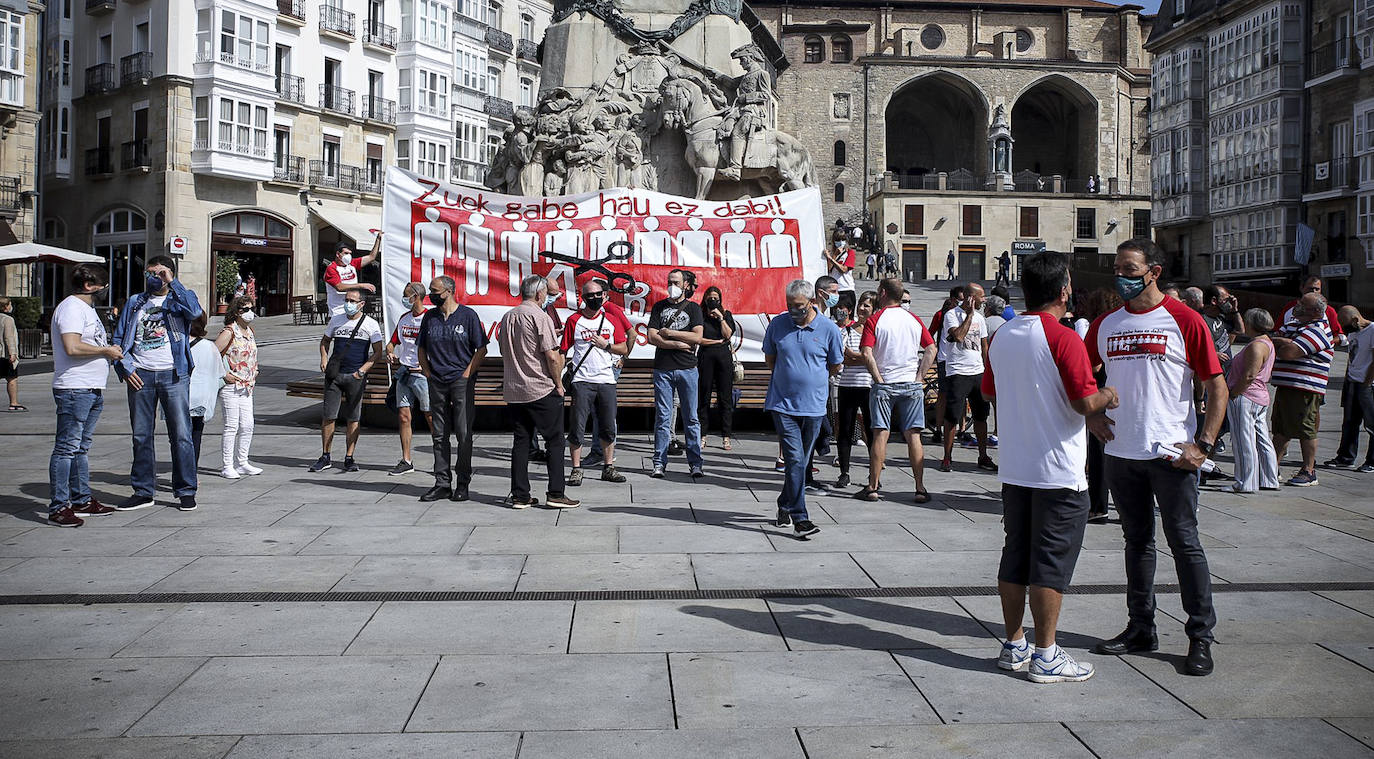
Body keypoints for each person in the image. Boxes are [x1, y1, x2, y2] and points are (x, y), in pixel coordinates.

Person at [1085, 238, 1223, 677]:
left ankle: (1200, 636)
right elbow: (1085, 379)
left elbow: (1216, 385)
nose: (1122, 277)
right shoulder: (1105, 325)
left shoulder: (1185, 319)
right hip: (1121, 452)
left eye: (1130, 268)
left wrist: (1204, 444)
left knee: (1185, 543)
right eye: (1118, 269)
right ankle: (1141, 626)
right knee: (1136, 542)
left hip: (1171, 454)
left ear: (1153, 271)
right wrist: (1092, 420)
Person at [984, 250, 1119, 683]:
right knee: (1050, 564)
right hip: (1057, 469)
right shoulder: (1063, 338)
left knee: (1015, 557)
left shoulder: (1004, 334)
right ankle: (1046, 654)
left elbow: (989, 392)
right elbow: (1084, 403)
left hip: (1016, 466)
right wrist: (1110, 395)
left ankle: (1014, 643)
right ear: (1065, 290)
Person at [112, 255, 205, 512]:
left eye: (159, 272)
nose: (154, 277)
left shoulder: (180, 298)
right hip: (141, 374)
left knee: (182, 435)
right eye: (150, 273)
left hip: (173, 374)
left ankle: (186, 490)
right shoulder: (135, 302)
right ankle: (143, 491)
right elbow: (119, 338)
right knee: (141, 435)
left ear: (170, 273)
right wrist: (125, 367)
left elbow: (195, 313)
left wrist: (172, 282)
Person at [765, 279, 844, 537]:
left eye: (798, 306)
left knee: (799, 463)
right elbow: (771, 359)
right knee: (796, 460)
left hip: (814, 407)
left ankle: (784, 504)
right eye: (789, 305)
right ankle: (801, 518)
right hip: (783, 404)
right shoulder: (778, 324)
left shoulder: (829, 329)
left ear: (811, 302)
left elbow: (835, 365)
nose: (792, 310)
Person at [47, 264, 122, 527]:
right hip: (74, 388)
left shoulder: (85, 308)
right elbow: (72, 346)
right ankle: (59, 506)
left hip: (90, 387)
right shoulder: (71, 308)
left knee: (80, 448)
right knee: (67, 448)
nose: (105, 290)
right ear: (90, 286)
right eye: (104, 286)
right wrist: (105, 352)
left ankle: (81, 499)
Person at [499, 275, 580, 508]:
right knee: (554, 441)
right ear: (539, 293)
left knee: (521, 441)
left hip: (515, 389)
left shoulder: (508, 316)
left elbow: (505, 350)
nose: (547, 297)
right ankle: (556, 492)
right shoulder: (539, 316)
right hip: (540, 387)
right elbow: (552, 356)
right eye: (546, 293)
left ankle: (520, 495)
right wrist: (558, 383)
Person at [856, 277, 937, 502]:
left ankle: (872, 487)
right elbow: (931, 348)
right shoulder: (913, 319)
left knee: (880, 434)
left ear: (882, 293)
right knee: (914, 436)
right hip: (910, 384)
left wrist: (878, 378)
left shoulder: (875, 319)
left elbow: (866, 352)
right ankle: (920, 488)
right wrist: (920, 377)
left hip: (885, 384)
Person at [416, 275, 489, 502]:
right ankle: (442, 482)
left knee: (464, 434)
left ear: (448, 291)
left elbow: (481, 349)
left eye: (435, 291)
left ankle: (463, 483)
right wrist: (427, 373)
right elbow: (421, 347)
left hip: (460, 381)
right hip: (436, 380)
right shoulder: (430, 317)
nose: (432, 295)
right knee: (439, 435)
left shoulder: (468, 316)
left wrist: (466, 374)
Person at [563, 278, 630, 487]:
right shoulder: (574, 320)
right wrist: (558, 378)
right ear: (583, 298)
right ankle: (576, 469)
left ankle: (608, 466)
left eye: (597, 294)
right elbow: (562, 350)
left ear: (604, 295)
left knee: (608, 426)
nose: (593, 298)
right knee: (577, 427)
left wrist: (606, 345)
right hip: (582, 381)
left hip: (606, 380)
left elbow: (624, 348)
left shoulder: (611, 319)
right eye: (589, 295)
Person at [310, 289, 384, 474]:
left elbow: (377, 351)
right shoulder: (336, 319)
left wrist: (362, 371)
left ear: (361, 304)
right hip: (335, 375)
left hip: (355, 376)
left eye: (352, 300)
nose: (348, 303)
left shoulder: (371, 324)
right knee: (329, 415)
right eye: (346, 300)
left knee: (353, 417)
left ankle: (349, 457)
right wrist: (324, 359)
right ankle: (325, 455)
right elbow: (325, 341)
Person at [648, 269, 713, 478]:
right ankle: (659, 463)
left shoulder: (693, 308)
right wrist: (675, 343)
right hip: (663, 369)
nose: (671, 285)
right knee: (663, 418)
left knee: (691, 418)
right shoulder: (659, 307)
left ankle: (695, 463)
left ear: (686, 285)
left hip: (687, 369)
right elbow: (651, 336)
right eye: (669, 281)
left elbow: (697, 337)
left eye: (675, 282)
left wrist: (669, 333)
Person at [1269, 292, 1335, 487]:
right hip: (1286, 385)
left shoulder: (1319, 329)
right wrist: (1286, 342)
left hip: (1305, 386)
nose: (1297, 306)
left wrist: (1286, 343)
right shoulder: (1294, 324)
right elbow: (1273, 340)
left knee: (1306, 428)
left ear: (1315, 311)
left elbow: (1288, 353)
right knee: (1280, 428)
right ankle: (1273, 466)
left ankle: (1309, 470)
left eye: (1302, 305)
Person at [1074, 288, 1124, 523]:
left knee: (1099, 451)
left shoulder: (1095, 326)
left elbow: (1092, 367)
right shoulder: (1122, 324)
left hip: (1102, 392)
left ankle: (1098, 506)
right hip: (1122, 391)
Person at [939, 282, 995, 473]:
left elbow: (984, 345)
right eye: (981, 296)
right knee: (953, 416)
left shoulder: (981, 318)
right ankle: (947, 457)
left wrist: (988, 369)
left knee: (981, 415)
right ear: (971, 298)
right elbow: (959, 336)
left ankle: (983, 455)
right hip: (958, 372)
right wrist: (969, 315)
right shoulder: (951, 315)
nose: (984, 299)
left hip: (977, 371)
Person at [1225, 308, 1279, 493]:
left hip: (1246, 396)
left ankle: (1245, 482)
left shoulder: (1256, 345)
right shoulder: (1267, 343)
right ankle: (1269, 478)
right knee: (1262, 438)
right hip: (1259, 396)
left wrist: (1233, 393)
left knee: (1243, 440)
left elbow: (1249, 375)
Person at [387, 283, 434, 476]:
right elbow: (392, 343)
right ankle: (406, 459)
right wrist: (390, 352)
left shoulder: (431, 318)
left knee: (431, 416)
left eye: (407, 296)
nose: (404, 299)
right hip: (405, 373)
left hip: (423, 375)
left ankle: (441, 458)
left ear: (416, 296)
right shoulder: (404, 319)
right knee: (404, 416)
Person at [214, 295, 261, 479]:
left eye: (251, 308)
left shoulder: (249, 331)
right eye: (244, 309)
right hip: (231, 386)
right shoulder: (229, 332)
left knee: (248, 425)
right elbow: (213, 353)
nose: (249, 313)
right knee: (231, 426)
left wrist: (255, 370)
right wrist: (224, 374)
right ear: (236, 312)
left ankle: (242, 462)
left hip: (247, 385)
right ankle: (227, 465)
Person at [835, 291, 876, 488]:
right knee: (845, 430)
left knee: (872, 430)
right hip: (847, 385)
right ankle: (844, 472)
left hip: (868, 387)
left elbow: (876, 357)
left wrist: (855, 356)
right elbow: (843, 356)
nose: (862, 309)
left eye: (867, 305)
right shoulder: (847, 331)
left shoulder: (877, 331)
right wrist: (865, 357)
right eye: (861, 304)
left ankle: (873, 474)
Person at [1329, 305, 1374, 472]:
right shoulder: (1354, 332)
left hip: (1367, 384)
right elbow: (1353, 357)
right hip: (1352, 382)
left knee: (1371, 424)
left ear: (1355, 320)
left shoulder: (1372, 330)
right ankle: (1346, 457)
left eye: (1346, 324)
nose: (1345, 328)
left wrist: (1368, 382)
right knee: (1349, 422)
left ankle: (1372, 461)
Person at [697, 286, 738, 451]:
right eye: (710, 297)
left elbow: (728, 335)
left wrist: (721, 318)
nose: (713, 300)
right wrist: (715, 342)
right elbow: (698, 339)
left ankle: (726, 436)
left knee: (725, 398)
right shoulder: (700, 315)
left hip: (723, 359)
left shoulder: (726, 314)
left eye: (716, 297)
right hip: (706, 357)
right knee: (704, 397)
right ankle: (702, 435)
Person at [187, 320, 222, 469]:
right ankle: (191, 472)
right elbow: (219, 372)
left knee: (177, 436)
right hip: (200, 398)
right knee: (195, 434)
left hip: (177, 397)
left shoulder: (174, 345)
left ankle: (181, 468)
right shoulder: (209, 346)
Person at [1279, 276, 1345, 345]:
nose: (1314, 291)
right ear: (1301, 288)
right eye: (1310, 289)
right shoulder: (1289, 307)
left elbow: (1339, 336)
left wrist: (1321, 344)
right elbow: (1278, 330)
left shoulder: (1329, 310)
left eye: (1317, 289)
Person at [323, 239, 380, 317]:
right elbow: (339, 287)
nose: (348, 256)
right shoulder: (332, 268)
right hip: (338, 310)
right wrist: (361, 285)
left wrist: (378, 239)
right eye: (346, 253)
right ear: (338, 254)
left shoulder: (351, 264)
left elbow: (371, 257)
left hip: (354, 308)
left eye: (350, 253)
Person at [0, 297, 21, 411]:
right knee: (12, 378)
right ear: (5, 306)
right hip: (5, 354)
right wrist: (12, 353)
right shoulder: (7, 319)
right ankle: (14, 402)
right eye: (10, 304)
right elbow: (9, 337)